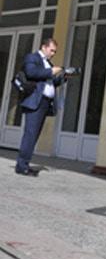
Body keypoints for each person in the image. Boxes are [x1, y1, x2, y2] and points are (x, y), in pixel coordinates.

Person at [15, 38, 64, 176]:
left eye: (55, 51)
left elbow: (50, 82)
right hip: (35, 101)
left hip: (44, 103)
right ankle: (21, 166)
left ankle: (25, 163)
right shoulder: (32, 57)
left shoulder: (48, 63)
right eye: (51, 50)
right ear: (44, 47)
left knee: (34, 134)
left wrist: (63, 77)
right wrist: (51, 71)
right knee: (30, 134)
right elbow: (31, 73)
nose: (53, 53)